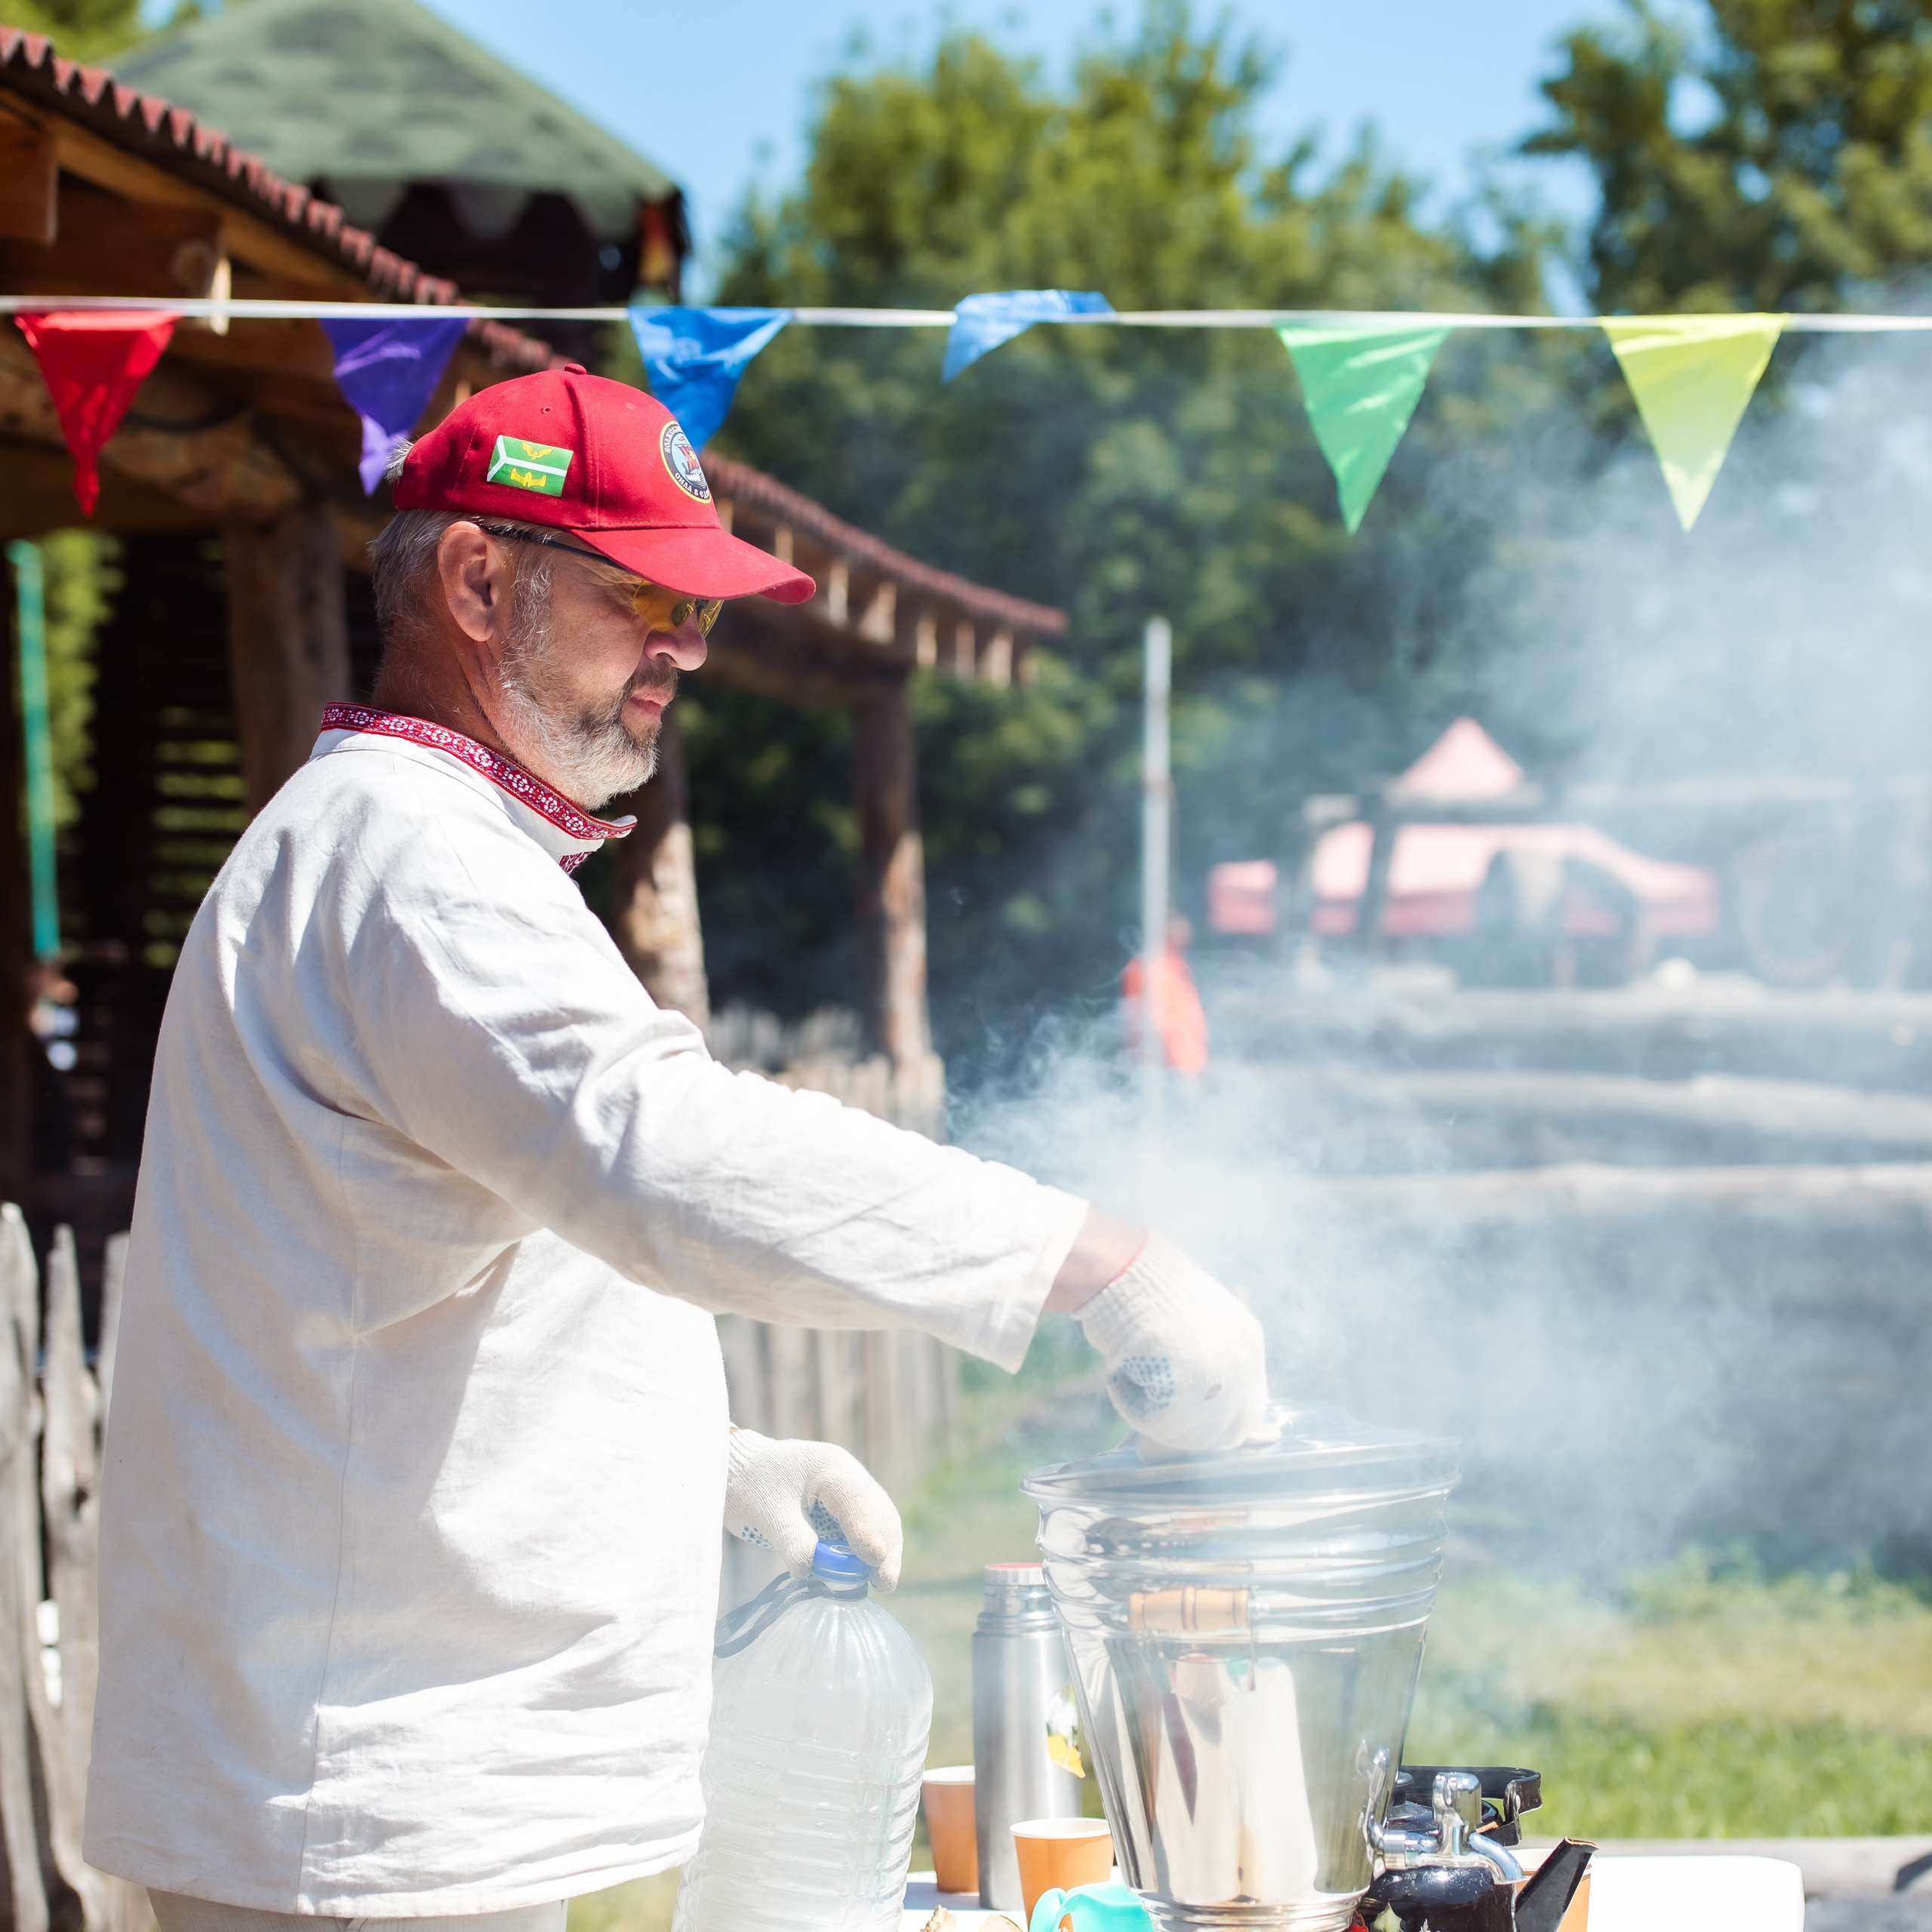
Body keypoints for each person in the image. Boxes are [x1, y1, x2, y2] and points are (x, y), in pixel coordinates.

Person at [84, 368, 1267, 1932]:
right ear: (476, 577)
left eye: (700, 607)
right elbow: (657, 1152)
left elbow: (388, 1284)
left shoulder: (407, 846)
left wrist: (688, 1466)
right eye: (646, 593)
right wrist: (1092, 1262)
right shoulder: (414, 860)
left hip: (382, 1776)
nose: (687, 650)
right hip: (367, 1797)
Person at [1121, 915, 1210, 1073]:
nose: (1184, 948)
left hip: (1186, 1060)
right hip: (1163, 1061)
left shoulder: (1177, 968)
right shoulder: (1149, 967)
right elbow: (1144, 1014)